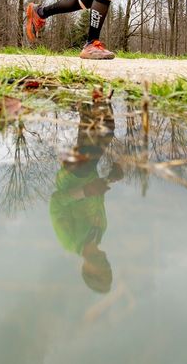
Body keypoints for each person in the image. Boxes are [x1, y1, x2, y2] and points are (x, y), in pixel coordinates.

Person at [49, 102, 123, 293]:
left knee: (101, 135)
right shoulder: (101, 230)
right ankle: (90, 97)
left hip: (72, 175)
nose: (106, 267)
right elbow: (96, 194)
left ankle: (87, 99)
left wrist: (85, 191)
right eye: (109, 270)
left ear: (86, 270)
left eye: (100, 273)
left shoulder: (70, 241)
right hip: (89, 172)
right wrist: (111, 177)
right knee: (101, 133)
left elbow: (56, 202)